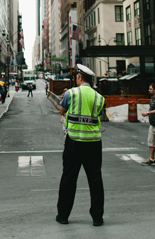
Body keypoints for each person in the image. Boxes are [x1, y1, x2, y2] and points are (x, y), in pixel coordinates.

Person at [56, 64, 106, 227]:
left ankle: (63, 215)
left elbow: (62, 110)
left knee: (69, 178)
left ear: (79, 78)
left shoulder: (71, 93)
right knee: (95, 179)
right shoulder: (99, 98)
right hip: (93, 143)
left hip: (74, 142)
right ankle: (97, 217)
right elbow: (99, 115)